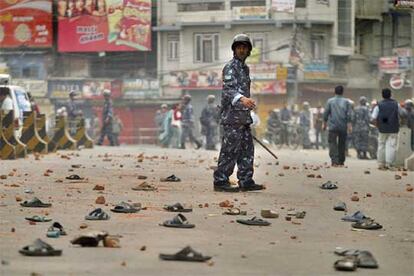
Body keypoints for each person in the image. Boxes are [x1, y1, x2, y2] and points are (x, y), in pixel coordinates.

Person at [213, 33, 264, 192]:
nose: (242, 50)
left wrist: (248, 108)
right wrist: (242, 99)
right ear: (234, 50)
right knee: (229, 151)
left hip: (243, 118)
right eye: (239, 48)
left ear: (249, 51)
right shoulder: (230, 67)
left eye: (244, 48)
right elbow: (228, 89)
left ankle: (246, 180)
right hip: (231, 118)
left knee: (247, 150)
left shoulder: (245, 69)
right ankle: (220, 181)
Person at [371, 88, 405, 170]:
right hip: (393, 128)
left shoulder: (378, 105)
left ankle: (381, 163)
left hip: (382, 128)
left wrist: (377, 125)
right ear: (390, 95)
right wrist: (400, 123)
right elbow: (403, 114)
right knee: (392, 145)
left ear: (382, 95)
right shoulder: (396, 104)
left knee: (381, 145)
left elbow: (373, 118)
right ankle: (390, 164)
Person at [323, 85, 353, 166]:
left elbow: (326, 113)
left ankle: (334, 161)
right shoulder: (347, 102)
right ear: (342, 92)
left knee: (332, 143)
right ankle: (341, 161)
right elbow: (349, 115)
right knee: (342, 143)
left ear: (334, 91)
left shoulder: (330, 101)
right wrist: (349, 126)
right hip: (343, 126)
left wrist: (324, 124)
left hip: (333, 126)